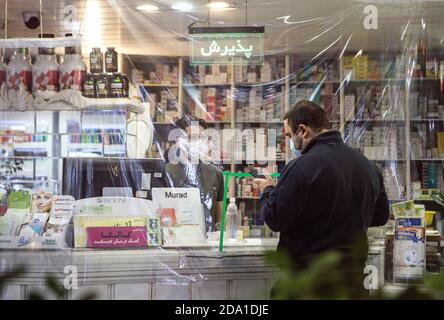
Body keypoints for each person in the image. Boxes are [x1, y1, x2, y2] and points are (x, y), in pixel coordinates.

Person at [253, 100, 390, 296]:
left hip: (306, 285)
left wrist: (267, 191)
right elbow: (380, 217)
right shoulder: (369, 167)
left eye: (290, 136)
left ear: (303, 130)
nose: (292, 142)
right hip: (351, 285)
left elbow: (275, 219)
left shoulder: (300, 168)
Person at [166, 117, 224, 233]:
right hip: (175, 242)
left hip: (208, 244)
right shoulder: (167, 172)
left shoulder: (216, 173)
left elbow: (220, 222)